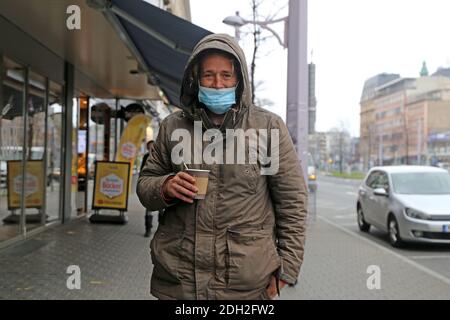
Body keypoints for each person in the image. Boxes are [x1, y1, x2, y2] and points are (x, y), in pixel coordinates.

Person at [137, 33, 308, 300]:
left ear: (239, 80)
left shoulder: (268, 128)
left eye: (226, 75)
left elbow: (293, 203)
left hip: (245, 286)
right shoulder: (173, 126)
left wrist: (287, 270)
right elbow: (145, 184)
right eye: (209, 75)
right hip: (179, 281)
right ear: (195, 78)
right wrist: (165, 187)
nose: (217, 84)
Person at [140, 140, 162, 237]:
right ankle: (148, 229)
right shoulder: (146, 157)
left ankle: (161, 230)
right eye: (149, 147)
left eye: (153, 146)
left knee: (162, 209)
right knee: (148, 208)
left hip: (160, 185)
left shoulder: (161, 157)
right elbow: (142, 171)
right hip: (150, 186)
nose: (151, 148)